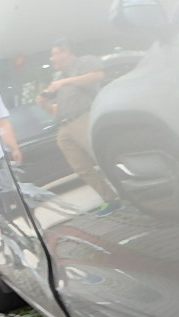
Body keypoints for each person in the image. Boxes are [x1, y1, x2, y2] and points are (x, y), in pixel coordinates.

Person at [37, 37, 119, 216]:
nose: (51, 59)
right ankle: (110, 199)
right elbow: (55, 110)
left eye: (55, 54)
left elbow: (97, 76)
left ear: (66, 51)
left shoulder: (84, 62)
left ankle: (131, 189)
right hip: (64, 126)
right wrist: (45, 104)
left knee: (102, 157)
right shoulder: (58, 77)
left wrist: (65, 82)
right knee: (81, 168)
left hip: (84, 118)